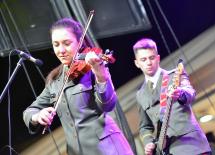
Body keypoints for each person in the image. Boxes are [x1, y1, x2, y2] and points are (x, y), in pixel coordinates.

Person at [23, 18, 134, 155]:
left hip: (108, 148)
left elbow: (107, 105)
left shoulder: (93, 68)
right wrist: (37, 116)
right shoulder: (55, 81)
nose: (61, 50)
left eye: (67, 43)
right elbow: (29, 111)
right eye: (56, 45)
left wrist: (100, 74)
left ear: (79, 42)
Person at [133, 38, 211, 155]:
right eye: (143, 59)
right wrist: (148, 142)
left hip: (192, 145)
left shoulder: (175, 75)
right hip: (166, 150)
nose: (148, 62)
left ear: (158, 58)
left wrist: (179, 93)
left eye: (152, 58)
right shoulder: (140, 94)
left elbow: (190, 93)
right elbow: (145, 127)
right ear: (137, 63)